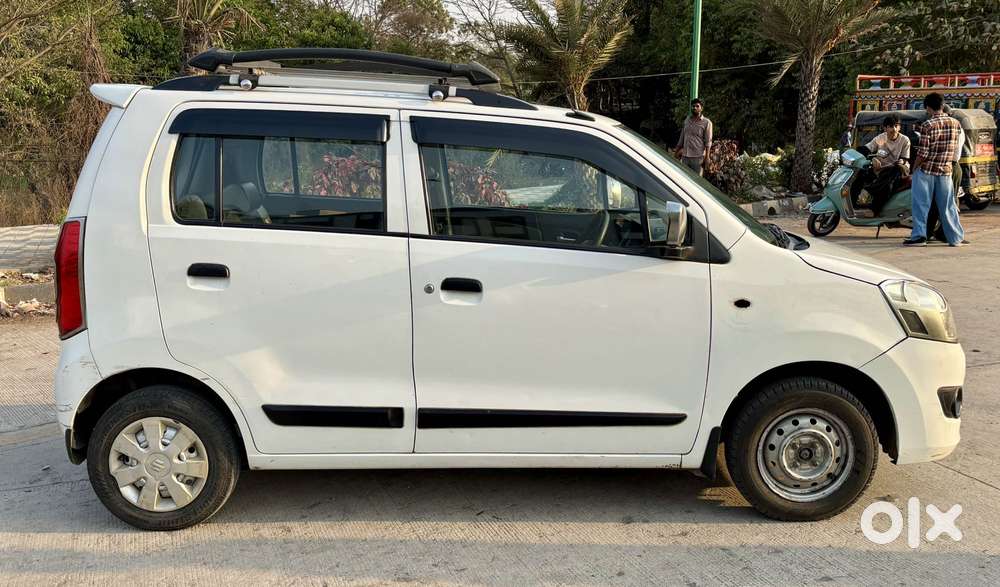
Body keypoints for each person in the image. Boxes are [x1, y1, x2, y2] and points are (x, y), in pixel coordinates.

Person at [904, 93, 967, 247]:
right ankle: (955, 238)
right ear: (942, 105)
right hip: (946, 170)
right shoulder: (955, 123)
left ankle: (919, 236)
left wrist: (914, 167)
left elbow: (923, 153)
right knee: (948, 206)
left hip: (927, 171)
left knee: (921, 205)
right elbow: (956, 149)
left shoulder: (928, 125)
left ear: (928, 107)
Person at [858, 114, 910, 215]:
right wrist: (872, 158)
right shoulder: (881, 138)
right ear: (885, 128)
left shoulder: (905, 140)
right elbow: (867, 149)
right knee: (861, 171)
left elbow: (904, 159)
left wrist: (901, 162)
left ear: (899, 127)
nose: (893, 129)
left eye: (896, 126)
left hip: (899, 168)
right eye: (890, 126)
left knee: (894, 174)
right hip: (883, 169)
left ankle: (872, 203)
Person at [674, 98, 713, 175]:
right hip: (685, 156)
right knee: (683, 178)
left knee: (696, 181)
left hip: (698, 158)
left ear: (701, 108)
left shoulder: (707, 122)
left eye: (697, 106)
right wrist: (676, 152)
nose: (694, 108)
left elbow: (708, 142)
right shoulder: (687, 120)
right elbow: (682, 138)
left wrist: (707, 157)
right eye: (693, 106)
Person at [943, 104, 966, 198]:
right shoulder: (958, 127)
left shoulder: (951, 127)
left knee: (948, 199)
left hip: (950, 166)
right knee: (951, 199)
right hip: (954, 166)